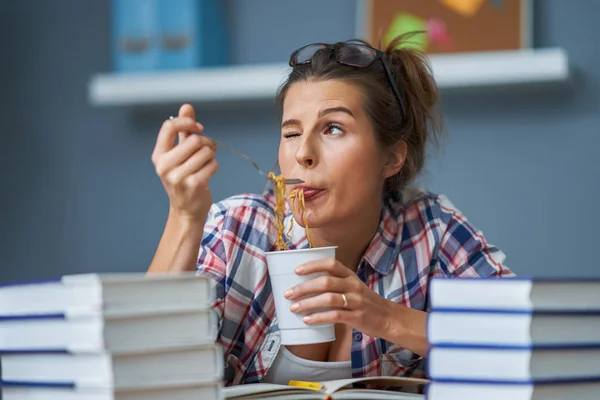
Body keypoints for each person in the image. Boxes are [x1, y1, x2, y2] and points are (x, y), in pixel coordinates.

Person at [147, 34, 514, 387]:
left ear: (391, 157)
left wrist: (384, 318)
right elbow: (144, 368)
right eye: (291, 133)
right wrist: (184, 216)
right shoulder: (238, 229)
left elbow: (521, 339)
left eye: (333, 129)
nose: (303, 153)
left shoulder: (429, 231)